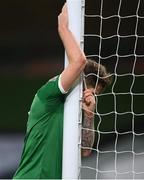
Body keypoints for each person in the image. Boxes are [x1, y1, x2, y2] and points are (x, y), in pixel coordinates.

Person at [13, 3, 112, 179]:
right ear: (79, 82)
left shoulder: (71, 113)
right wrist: (63, 27)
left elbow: (85, 151)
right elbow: (79, 62)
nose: (91, 98)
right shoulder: (48, 95)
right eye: (92, 93)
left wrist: (89, 115)